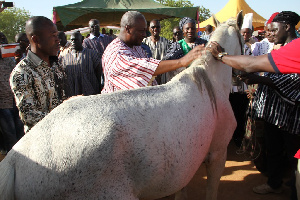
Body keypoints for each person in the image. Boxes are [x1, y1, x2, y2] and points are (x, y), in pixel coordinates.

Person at [209, 11, 300, 199]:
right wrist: (253, 79)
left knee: (293, 156)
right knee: (273, 150)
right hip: (273, 113)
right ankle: (274, 184)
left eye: (274, 29)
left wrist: (222, 56)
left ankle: (293, 189)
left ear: (288, 27)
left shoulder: (295, 48)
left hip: (291, 117)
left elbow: (259, 68)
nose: (271, 34)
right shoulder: (280, 47)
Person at [101, 11, 204, 94]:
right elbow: (144, 67)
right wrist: (182, 61)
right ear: (128, 29)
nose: (144, 35)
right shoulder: (116, 53)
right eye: (141, 31)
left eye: (145, 31)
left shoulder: (135, 47)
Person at [10, 16, 66, 133]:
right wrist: (65, 121)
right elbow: (30, 116)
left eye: (57, 35)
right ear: (36, 39)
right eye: (53, 35)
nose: (58, 40)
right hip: (41, 142)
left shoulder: (56, 65)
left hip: (63, 136)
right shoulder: (22, 72)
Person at [0, 32, 24, 154]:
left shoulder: (10, 58)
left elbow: (18, 76)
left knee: (20, 134)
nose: (2, 41)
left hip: (16, 101)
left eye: (4, 39)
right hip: (3, 105)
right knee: (10, 136)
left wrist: (17, 59)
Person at [163, 17, 207, 82]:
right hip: (183, 81)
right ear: (183, 30)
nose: (190, 31)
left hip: (201, 80)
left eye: (192, 28)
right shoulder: (177, 46)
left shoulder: (203, 44)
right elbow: (167, 62)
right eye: (187, 28)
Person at [59, 31, 102, 97]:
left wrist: (99, 90)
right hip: (72, 95)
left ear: (82, 40)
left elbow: (98, 73)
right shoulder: (64, 58)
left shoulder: (92, 54)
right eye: (72, 40)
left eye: (76, 40)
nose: (73, 42)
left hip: (90, 93)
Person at [143, 19, 170, 84]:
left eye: (157, 27)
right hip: (149, 78)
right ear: (149, 29)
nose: (155, 29)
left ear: (160, 28)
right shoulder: (144, 42)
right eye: (153, 27)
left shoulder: (167, 43)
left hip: (163, 78)